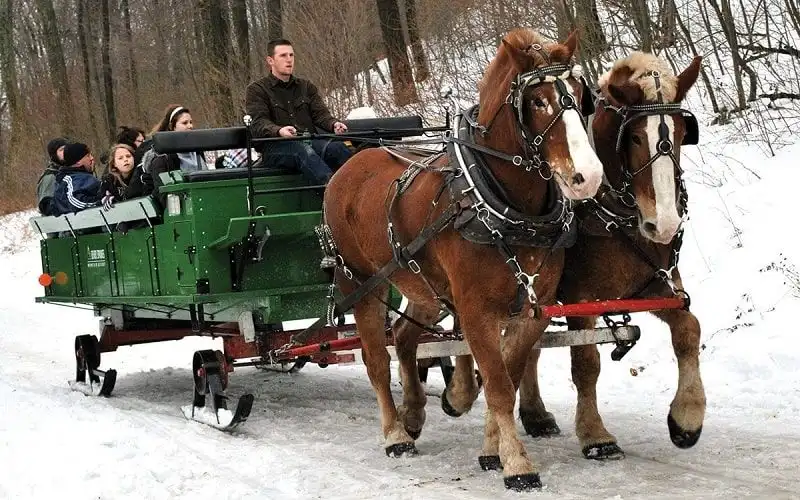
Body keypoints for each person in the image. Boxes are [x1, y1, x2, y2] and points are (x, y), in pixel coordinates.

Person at [245, 38, 352, 185]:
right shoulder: (257, 90)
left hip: (308, 141)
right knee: (302, 151)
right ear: (270, 60)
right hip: (275, 147)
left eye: (291, 55)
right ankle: (332, 194)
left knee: (337, 148)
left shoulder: (306, 87)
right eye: (283, 56)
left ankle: (358, 192)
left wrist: (333, 124)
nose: (289, 59)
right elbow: (259, 122)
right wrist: (279, 131)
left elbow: (321, 114)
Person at [148, 104, 208, 207]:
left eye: (191, 122)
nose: (190, 126)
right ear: (172, 127)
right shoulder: (162, 158)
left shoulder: (197, 151)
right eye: (185, 123)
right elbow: (163, 195)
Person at [53, 142, 101, 215]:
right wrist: (99, 202)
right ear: (78, 162)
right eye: (88, 156)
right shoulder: (73, 179)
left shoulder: (84, 176)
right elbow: (75, 201)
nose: (92, 158)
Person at [98, 143, 151, 209]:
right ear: (114, 163)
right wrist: (106, 198)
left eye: (128, 156)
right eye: (120, 158)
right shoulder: (109, 181)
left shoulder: (142, 174)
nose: (125, 159)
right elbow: (101, 199)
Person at [37, 137, 69, 216]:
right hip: (59, 220)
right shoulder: (50, 176)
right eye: (61, 150)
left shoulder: (69, 170)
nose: (65, 151)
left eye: (67, 148)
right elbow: (46, 207)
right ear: (54, 154)